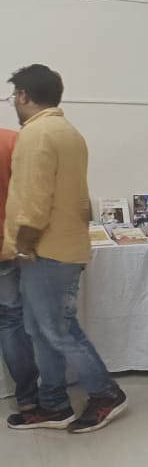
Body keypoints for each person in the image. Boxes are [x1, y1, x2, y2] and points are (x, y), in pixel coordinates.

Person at [4, 64, 127, 433]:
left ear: (23, 95)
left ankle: (105, 393)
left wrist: (21, 246)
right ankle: (54, 403)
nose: (13, 101)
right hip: (63, 245)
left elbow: (33, 201)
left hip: (46, 250)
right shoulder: (68, 131)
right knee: (42, 329)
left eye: (14, 95)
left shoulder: (35, 134)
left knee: (56, 329)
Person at [0, 127, 37, 420]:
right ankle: (27, 399)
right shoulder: (11, 140)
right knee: (12, 319)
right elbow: (30, 195)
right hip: (7, 244)